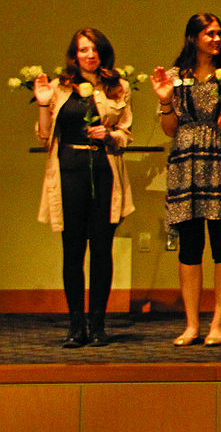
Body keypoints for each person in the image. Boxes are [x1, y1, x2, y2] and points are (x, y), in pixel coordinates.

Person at [150, 13, 221, 346]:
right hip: (186, 162)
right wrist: (165, 100)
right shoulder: (175, 76)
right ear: (193, 38)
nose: (216, 38)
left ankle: (218, 323)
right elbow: (169, 129)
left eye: (219, 33)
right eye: (209, 33)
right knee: (190, 245)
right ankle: (192, 325)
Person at [33, 29, 134, 348]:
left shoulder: (118, 87)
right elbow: (44, 136)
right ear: (74, 55)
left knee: (102, 251)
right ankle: (76, 324)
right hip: (69, 172)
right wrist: (42, 104)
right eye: (83, 50)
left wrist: (109, 135)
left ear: (103, 54)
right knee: (73, 251)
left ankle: (98, 323)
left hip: (104, 171)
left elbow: (125, 134)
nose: (90, 55)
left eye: (95, 49)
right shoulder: (58, 88)